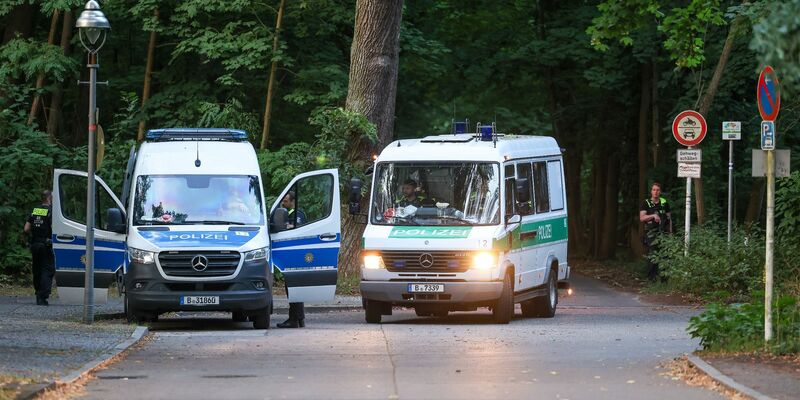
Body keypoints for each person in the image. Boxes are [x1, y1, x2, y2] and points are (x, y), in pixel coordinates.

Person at [278, 191, 307, 328]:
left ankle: (293, 320)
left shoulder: (297, 215)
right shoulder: (292, 214)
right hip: (295, 255)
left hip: (295, 256)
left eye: (285, 201)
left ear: (292, 202)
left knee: (292, 287)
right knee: (295, 288)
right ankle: (299, 318)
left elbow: (297, 230)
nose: (283, 203)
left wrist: (286, 227)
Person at [23, 190, 55, 305]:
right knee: (48, 269)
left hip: (35, 244)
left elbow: (26, 229)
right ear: (49, 198)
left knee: (37, 269)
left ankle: (37, 293)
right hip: (46, 245)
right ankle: (43, 296)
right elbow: (53, 227)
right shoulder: (50, 212)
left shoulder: (35, 210)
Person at [639, 182, 672, 281]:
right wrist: (653, 215)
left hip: (663, 232)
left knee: (664, 254)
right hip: (651, 232)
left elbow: (669, 219)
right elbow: (642, 218)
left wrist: (670, 233)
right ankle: (651, 278)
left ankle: (664, 279)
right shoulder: (646, 203)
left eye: (657, 190)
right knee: (653, 254)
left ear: (660, 191)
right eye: (654, 190)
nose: (656, 192)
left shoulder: (664, 202)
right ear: (651, 191)